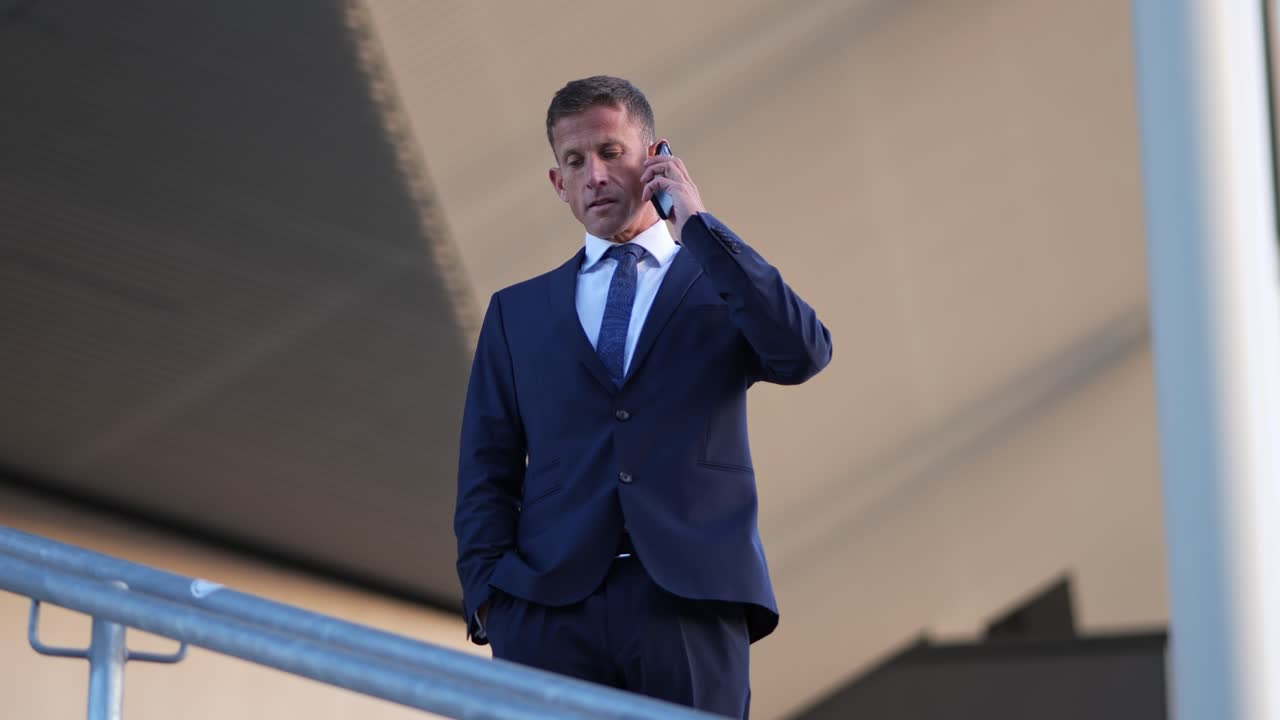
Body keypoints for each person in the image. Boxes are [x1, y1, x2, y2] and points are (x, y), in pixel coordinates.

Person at [454, 75, 832, 717]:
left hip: (689, 601)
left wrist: (700, 225)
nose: (595, 174)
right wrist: (492, 599)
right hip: (548, 610)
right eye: (574, 161)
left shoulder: (718, 280)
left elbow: (802, 353)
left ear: (657, 158)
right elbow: (485, 468)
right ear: (557, 184)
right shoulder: (515, 313)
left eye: (611, 152)